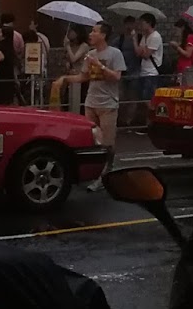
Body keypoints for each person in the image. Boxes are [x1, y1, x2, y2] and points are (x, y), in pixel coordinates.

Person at [73, 22, 125, 190]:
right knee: (92, 140)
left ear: (103, 35)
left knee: (107, 143)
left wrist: (100, 65)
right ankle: (94, 173)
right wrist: (65, 79)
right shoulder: (89, 54)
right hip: (91, 102)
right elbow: (84, 77)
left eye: (94, 31)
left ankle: (107, 173)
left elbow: (117, 77)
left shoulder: (115, 53)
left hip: (108, 103)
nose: (90, 34)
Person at [136, 13, 164, 105]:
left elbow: (146, 55)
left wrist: (143, 49)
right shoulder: (144, 36)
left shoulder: (155, 36)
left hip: (152, 72)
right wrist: (135, 39)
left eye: (142, 23)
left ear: (149, 23)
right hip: (143, 71)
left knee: (149, 97)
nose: (141, 25)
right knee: (143, 97)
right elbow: (138, 52)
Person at [62, 25, 90, 111]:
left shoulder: (84, 46)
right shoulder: (71, 45)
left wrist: (68, 47)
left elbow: (74, 58)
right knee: (67, 101)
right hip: (71, 74)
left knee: (80, 100)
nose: (70, 33)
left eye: (72, 31)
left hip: (80, 76)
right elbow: (67, 58)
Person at [170, 19, 193, 86]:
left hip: (187, 67)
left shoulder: (190, 38)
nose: (176, 32)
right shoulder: (184, 38)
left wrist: (177, 47)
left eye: (177, 30)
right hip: (181, 67)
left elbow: (188, 54)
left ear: (182, 28)